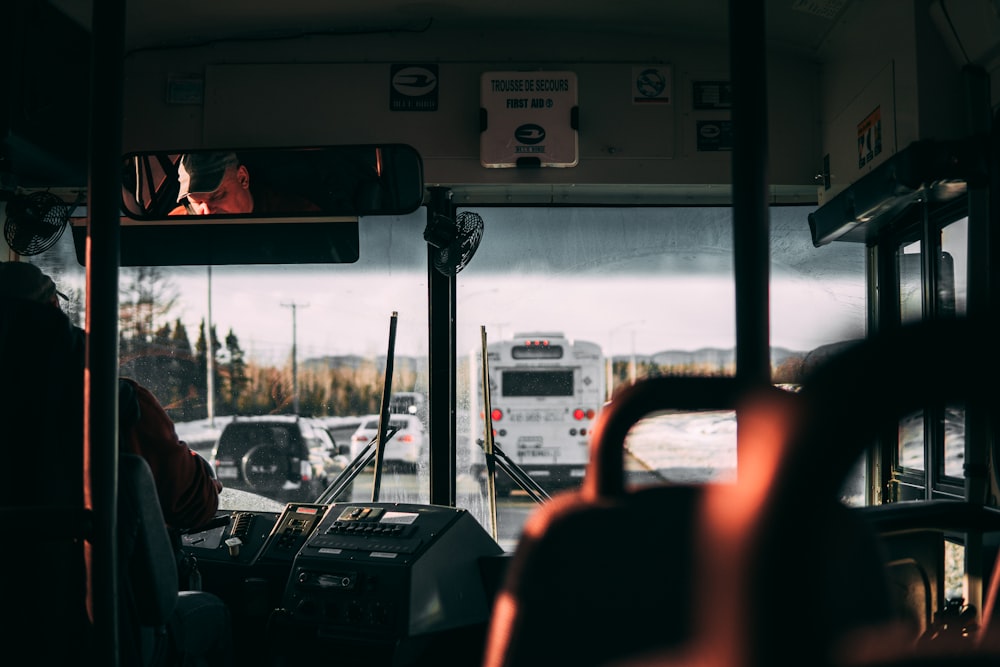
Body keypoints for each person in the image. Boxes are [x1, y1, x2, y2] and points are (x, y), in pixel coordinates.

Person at [0, 261, 222, 531]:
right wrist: (206, 479)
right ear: (53, 308)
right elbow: (191, 503)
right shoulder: (117, 403)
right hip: (92, 571)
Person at [170, 150, 322, 215]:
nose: (207, 212)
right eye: (196, 203)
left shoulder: (297, 215)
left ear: (243, 178)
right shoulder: (175, 225)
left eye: (217, 196)